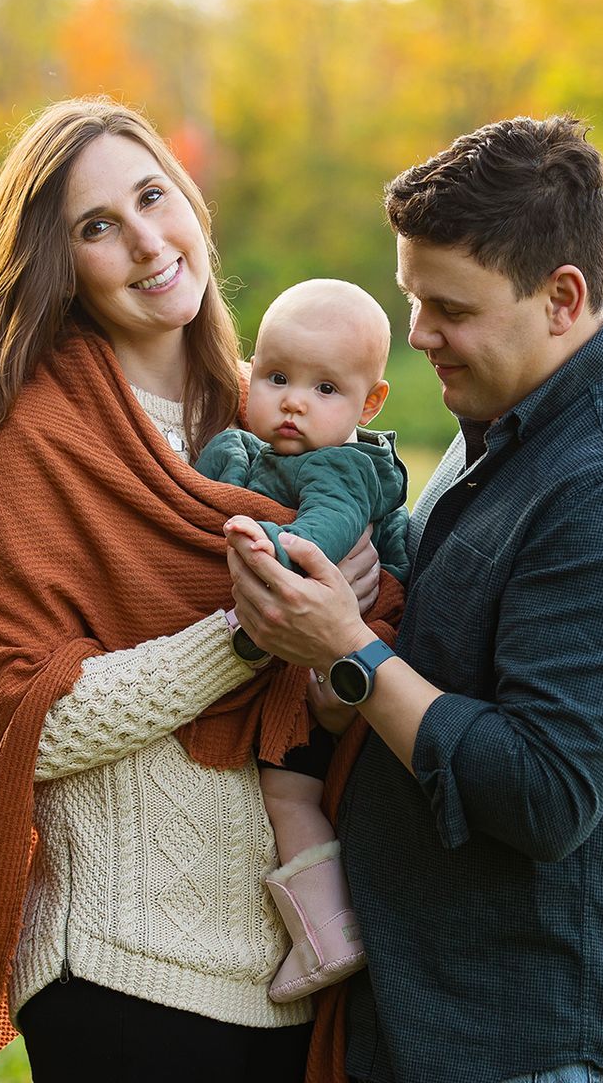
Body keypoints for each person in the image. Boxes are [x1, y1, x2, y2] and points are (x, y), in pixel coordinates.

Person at [0, 97, 399, 1083]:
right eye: (97, 227)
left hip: (287, 969)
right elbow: (27, 722)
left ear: (193, 204)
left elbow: (318, 701)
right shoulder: (29, 448)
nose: (147, 241)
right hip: (122, 970)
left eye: (154, 197)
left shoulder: (284, 416)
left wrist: (340, 647)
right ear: (57, 266)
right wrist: (250, 633)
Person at [225, 115, 603, 1083]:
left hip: (535, 1035)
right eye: (412, 298)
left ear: (563, 297)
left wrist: (350, 651)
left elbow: (543, 791)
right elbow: (445, 681)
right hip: (435, 1011)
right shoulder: (497, 426)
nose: (419, 335)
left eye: (448, 307)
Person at [198, 277, 411, 1002]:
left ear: (368, 403)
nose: (293, 402)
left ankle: (327, 931)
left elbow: (317, 542)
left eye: (324, 389)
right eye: (277, 377)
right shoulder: (255, 444)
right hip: (289, 654)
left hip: (322, 667)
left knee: (290, 794)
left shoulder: (342, 468)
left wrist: (268, 545)